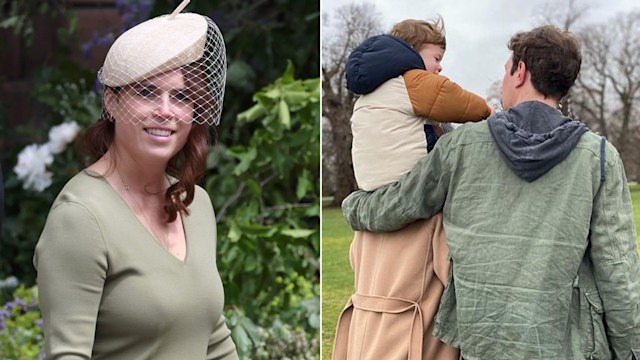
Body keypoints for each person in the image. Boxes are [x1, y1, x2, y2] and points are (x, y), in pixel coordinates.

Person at [342, 24, 640, 359]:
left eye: (505, 69)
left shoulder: (460, 147)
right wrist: (630, 350)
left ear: (519, 72)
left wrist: (353, 205)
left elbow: (393, 205)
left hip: (480, 345)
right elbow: (618, 272)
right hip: (568, 346)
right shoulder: (599, 157)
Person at [33, 4, 238, 359]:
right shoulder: (80, 218)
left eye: (181, 96)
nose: (166, 110)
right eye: (146, 93)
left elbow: (213, 338)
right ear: (112, 102)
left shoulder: (195, 205)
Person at [332, 19, 492, 360]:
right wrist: (492, 114)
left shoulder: (365, 99)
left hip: (365, 340)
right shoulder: (412, 82)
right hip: (410, 343)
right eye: (436, 57)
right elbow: (459, 102)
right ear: (412, 54)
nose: (440, 66)